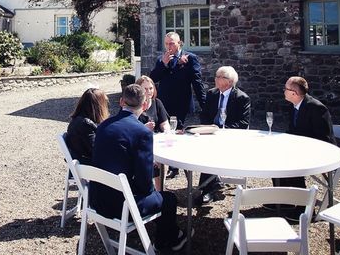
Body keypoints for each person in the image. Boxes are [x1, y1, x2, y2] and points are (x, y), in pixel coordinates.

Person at [90, 84, 191, 251]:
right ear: (144, 105)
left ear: (121, 101)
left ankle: (174, 236)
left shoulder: (103, 126)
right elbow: (145, 184)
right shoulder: (142, 132)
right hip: (122, 206)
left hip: (97, 199)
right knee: (168, 199)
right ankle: (166, 243)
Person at [272, 76, 335, 220]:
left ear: (294, 93)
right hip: (301, 148)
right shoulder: (294, 106)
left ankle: (304, 207)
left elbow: (323, 139)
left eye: (285, 89)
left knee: (291, 162)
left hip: (321, 152)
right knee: (274, 155)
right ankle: (285, 199)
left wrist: (299, 147)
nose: (283, 91)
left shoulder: (316, 108)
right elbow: (295, 132)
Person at [150, 31, 205, 178]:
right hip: (163, 102)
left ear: (179, 43)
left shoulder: (190, 58)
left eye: (172, 43)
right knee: (164, 133)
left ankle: (180, 166)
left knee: (178, 132)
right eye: (166, 44)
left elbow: (197, 83)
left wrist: (205, 105)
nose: (169, 47)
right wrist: (164, 64)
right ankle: (170, 166)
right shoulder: (161, 59)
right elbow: (153, 78)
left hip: (181, 102)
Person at [195, 66, 251, 204]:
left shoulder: (241, 98)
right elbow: (204, 115)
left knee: (211, 151)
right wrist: (209, 128)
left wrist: (223, 130)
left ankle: (207, 189)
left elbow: (243, 123)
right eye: (216, 76)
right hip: (211, 133)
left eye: (220, 77)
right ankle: (210, 184)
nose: (216, 79)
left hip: (230, 135)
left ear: (230, 82)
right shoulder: (211, 94)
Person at [66, 87, 110, 165]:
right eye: (105, 103)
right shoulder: (85, 124)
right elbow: (95, 152)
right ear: (99, 105)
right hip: (87, 165)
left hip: (82, 161)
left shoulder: (79, 119)